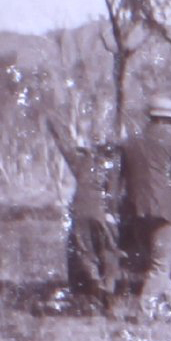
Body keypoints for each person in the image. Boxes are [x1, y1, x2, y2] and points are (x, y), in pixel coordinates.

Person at [119, 95, 171, 317]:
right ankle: (144, 312)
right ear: (168, 120)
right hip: (165, 210)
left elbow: (121, 177)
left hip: (136, 209)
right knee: (160, 266)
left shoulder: (130, 142)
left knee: (156, 264)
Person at [46, 117, 121, 313]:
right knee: (109, 252)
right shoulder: (112, 167)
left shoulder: (81, 162)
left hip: (80, 211)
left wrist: (53, 124)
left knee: (85, 252)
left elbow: (64, 145)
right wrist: (111, 214)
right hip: (101, 212)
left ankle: (96, 289)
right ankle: (108, 294)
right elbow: (112, 193)